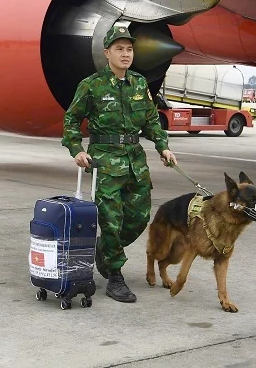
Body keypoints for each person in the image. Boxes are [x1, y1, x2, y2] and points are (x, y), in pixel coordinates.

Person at [62, 24, 176, 303]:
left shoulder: (139, 83)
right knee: (111, 221)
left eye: (129, 49)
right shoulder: (92, 85)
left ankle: (105, 251)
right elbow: (71, 120)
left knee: (138, 218)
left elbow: (150, 120)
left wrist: (163, 147)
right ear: (107, 53)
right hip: (105, 162)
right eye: (119, 49)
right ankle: (115, 275)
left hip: (135, 162)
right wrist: (76, 149)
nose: (126, 54)